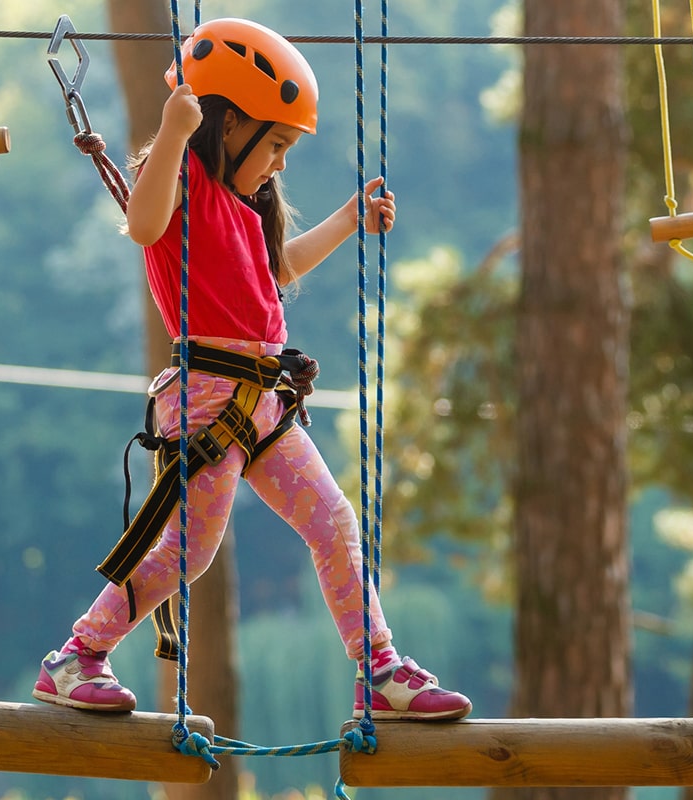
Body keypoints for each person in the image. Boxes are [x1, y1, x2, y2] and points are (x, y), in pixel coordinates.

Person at [32, 17, 471, 722]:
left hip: (264, 402)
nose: (281, 163)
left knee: (334, 520)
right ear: (228, 123)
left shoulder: (242, 208)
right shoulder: (181, 181)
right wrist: (174, 131)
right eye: (277, 144)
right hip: (208, 399)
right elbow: (144, 226)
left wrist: (349, 219)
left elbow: (278, 270)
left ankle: (380, 670)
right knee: (191, 550)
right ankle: (75, 656)